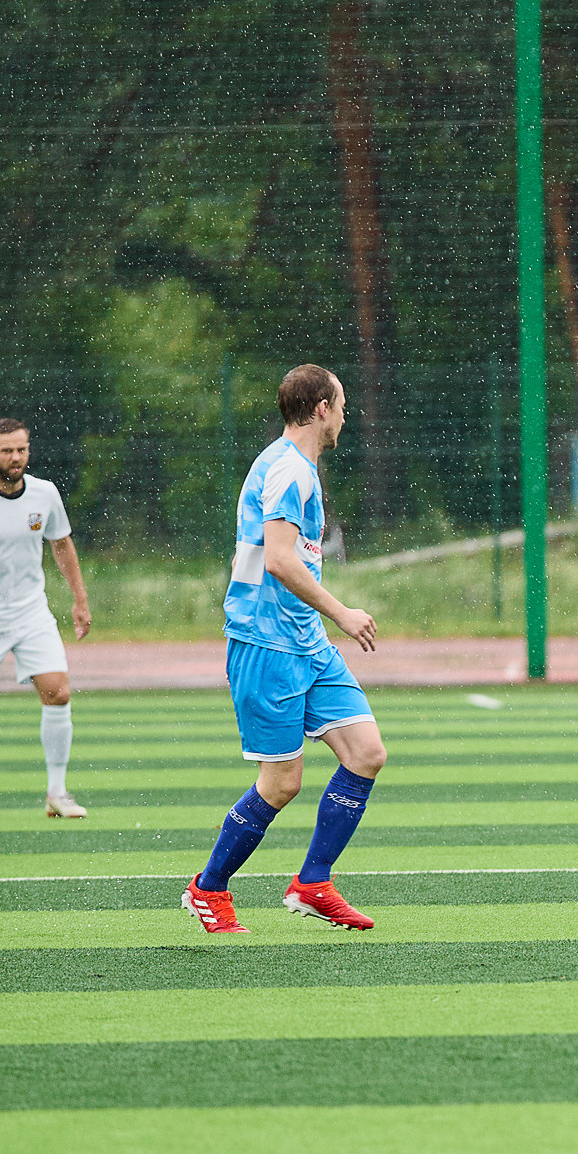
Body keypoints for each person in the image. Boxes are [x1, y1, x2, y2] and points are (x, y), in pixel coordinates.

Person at [181, 364, 385, 934]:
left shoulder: (292, 466)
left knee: (366, 753)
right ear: (322, 408)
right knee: (282, 783)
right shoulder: (289, 470)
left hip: (303, 639)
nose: (346, 416)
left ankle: (313, 883)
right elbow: (277, 557)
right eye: (342, 405)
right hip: (267, 644)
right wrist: (342, 611)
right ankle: (208, 889)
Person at [0, 418, 94, 818]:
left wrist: (79, 599)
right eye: (6, 450)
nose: (15, 457)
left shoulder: (44, 493)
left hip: (32, 610)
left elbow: (61, 543)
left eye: (21, 449)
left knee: (58, 691)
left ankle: (57, 792)